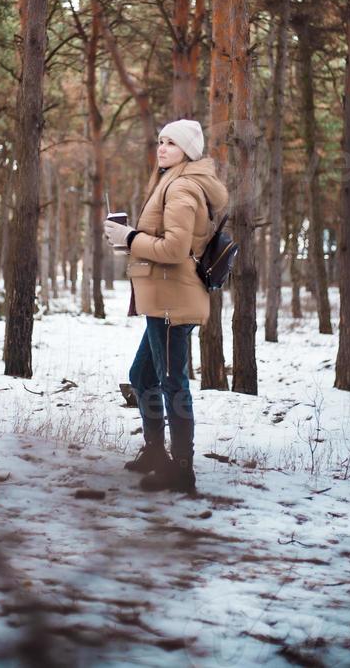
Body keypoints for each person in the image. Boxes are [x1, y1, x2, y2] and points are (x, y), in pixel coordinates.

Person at [103, 119, 229, 493]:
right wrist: (129, 240)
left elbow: (175, 250)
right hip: (163, 297)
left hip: (174, 298)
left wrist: (131, 237)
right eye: (160, 140)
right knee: (143, 376)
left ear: (188, 151)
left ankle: (182, 469)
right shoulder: (170, 182)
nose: (162, 148)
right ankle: (156, 453)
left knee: (174, 382)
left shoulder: (183, 188)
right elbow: (161, 242)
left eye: (172, 143)